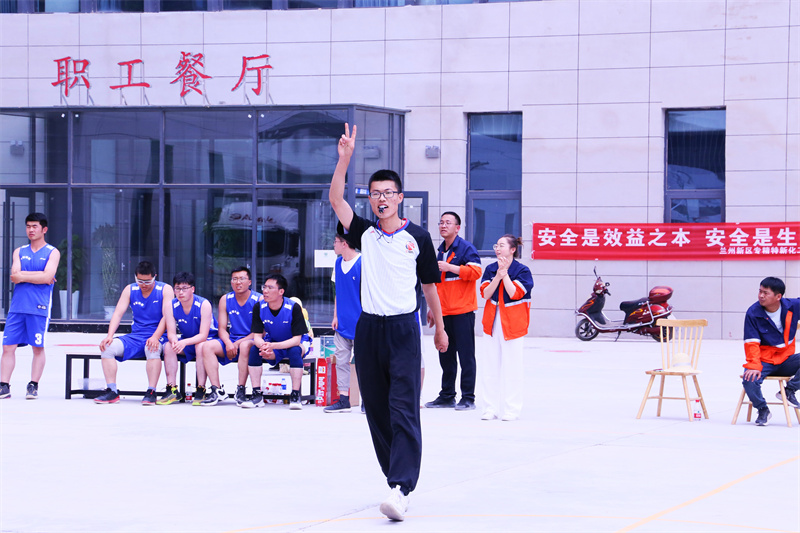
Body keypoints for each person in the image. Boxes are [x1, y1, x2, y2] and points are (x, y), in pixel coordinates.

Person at [329, 123, 448, 522]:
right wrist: (345, 159)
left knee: (403, 408)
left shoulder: (419, 238)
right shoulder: (364, 233)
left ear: (400, 198)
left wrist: (440, 328)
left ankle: (401, 486)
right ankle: (395, 479)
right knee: (377, 411)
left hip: (403, 329)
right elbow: (335, 199)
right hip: (369, 330)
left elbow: (429, 286)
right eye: (375, 194)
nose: (381, 199)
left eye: (388, 193)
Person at [94, 261, 173, 405]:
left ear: (155, 277)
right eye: (140, 281)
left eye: (148, 281)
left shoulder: (165, 289)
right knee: (107, 348)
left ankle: (151, 391)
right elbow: (118, 313)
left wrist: (155, 337)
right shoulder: (130, 289)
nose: (143, 284)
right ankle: (112, 391)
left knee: (151, 348)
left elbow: (167, 317)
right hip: (136, 336)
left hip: (159, 335)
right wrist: (109, 336)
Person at [425, 212, 481, 411]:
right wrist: (433, 309)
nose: (443, 225)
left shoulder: (466, 248)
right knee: (445, 355)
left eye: (448, 222)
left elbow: (476, 272)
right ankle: (447, 396)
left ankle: (468, 398)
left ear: (457, 228)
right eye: (441, 222)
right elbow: (437, 283)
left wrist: (451, 267)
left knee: (466, 356)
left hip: (463, 311)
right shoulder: (440, 250)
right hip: (444, 312)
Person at [0, 213, 60, 400]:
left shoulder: (52, 252)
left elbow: (47, 276)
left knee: (37, 347)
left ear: (44, 229)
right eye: (28, 226)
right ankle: (4, 385)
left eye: (35, 226)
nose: (31, 230)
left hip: (39, 307)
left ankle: (33, 385)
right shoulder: (19, 251)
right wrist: (40, 276)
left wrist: (26, 276)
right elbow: (14, 275)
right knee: (8, 347)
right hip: (17, 307)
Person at [479, 234, 533, 422]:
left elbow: (514, 293)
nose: (497, 248)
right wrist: (498, 276)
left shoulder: (522, 271)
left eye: (501, 245)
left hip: (513, 325)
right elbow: (486, 293)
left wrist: (506, 275)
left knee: (512, 368)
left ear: (512, 249)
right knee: (489, 368)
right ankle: (490, 409)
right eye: (496, 245)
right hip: (491, 324)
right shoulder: (490, 269)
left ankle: (512, 410)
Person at [244, 273, 309, 410]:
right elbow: (257, 336)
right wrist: (264, 346)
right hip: (273, 341)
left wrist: (273, 346)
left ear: (281, 291)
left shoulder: (293, 307)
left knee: (295, 351)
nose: (265, 291)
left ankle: (295, 395)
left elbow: (297, 340)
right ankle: (257, 395)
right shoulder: (259, 307)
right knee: (254, 350)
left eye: (270, 288)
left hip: (295, 342)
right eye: (264, 287)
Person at [742, 276, 800, 426]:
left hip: (786, 359)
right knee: (749, 379)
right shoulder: (753, 313)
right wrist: (754, 365)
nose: (761, 295)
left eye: (765, 293)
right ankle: (762, 409)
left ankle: (789, 391)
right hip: (764, 361)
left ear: (778, 296)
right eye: (760, 291)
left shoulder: (793, 306)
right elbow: (751, 343)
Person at [202, 266, 260, 407]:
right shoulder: (225, 299)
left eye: (242, 279)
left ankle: (241, 389)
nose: (238, 282)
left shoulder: (259, 299)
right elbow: (222, 328)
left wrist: (237, 344)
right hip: (232, 340)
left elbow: (260, 332)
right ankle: (217, 390)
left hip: (251, 340)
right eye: (234, 279)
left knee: (245, 346)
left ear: (249, 282)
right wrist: (228, 343)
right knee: (207, 346)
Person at [159, 271, 218, 405]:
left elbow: (203, 335)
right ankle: (172, 390)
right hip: (188, 341)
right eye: (177, 288)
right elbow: (171, 332)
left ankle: (201, 389)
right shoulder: (170, 305)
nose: (180, 292)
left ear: (193, 289)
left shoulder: (204, 304)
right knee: (168, 346)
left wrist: (184, 342)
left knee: (200, 346)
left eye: (184, 288)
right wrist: (174, 340)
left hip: (208, 340)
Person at [324, 233, 362, 413]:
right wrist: (335, 316)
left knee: (364, 364)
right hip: (342, 323)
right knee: (341, 361)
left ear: (345, 244)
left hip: (361, 323)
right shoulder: (338, 263)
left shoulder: (363, 263)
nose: (333, 245)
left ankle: (368, 401)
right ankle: (344, 399)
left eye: (335, 242)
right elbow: (338, 292)